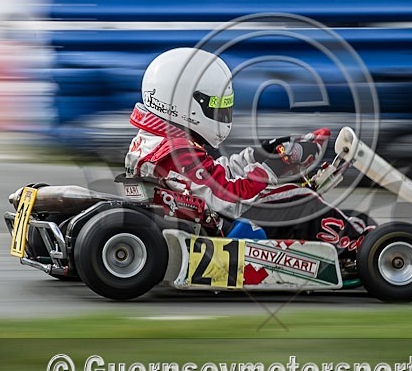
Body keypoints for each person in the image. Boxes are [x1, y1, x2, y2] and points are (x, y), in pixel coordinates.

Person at [124, 47, 371, 253]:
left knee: (300, 198)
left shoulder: (156, 140)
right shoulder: (175, 152)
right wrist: (271, 168)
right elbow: (228, 197)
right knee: (300, 199)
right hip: (225, 231)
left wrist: (263, 154)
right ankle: (361, 249)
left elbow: (215, 177)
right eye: (216, 106)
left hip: (209, 216)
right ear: (182, 104)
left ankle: (360, 235)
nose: (222, 114)